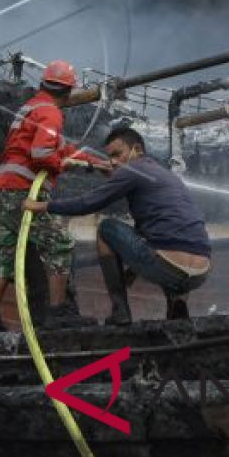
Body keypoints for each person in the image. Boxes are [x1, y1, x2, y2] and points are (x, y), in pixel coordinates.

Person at [24, 126, 213, 325]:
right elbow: (154, 231)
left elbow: (87, 203)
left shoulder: (134, 169)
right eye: (110, 156)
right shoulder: (165, 175)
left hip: (167, 265)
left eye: (117, 154)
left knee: (106, 229)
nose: (113, 161)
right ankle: (177, 305)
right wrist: (133, 270)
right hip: (201, 272)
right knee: (170, 256)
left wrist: (41, 206)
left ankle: (120, 310)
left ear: (137, 149)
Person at [0, 60, 105, 333]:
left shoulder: (31, 108)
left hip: (4, 190)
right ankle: (56, 314)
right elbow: (43, 155)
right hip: (24, 192)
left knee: (7, 253)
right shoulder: (51, 113)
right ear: (68, 92)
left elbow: (61, 147)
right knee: (60, 245)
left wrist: (97, 163)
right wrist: (63, 164)